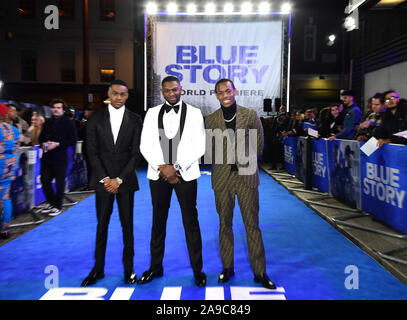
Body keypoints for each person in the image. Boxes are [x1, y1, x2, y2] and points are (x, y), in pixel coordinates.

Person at [205, 78, 276, 290]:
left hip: (246, 177)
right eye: (220, 92)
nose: (225, 95)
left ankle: (260, 272)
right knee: (224, 224)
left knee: (252, 225)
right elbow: (210, 150)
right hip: (221, 179)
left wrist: (244, 160)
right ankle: (227, 268)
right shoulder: (210, 120)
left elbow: (259, 144)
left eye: (228, 91)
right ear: (216, 95)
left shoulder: (250, 115)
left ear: (234, 91)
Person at [138, 75, 207, 287]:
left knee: (191, 222)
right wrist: (163, 168)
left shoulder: (195, 113)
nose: (172, 94)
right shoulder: (151, 113)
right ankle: (155, 267)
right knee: (158, 222)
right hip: (158, 175)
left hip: (184, 174)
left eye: (175, 90)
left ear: (181, 89)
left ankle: (198, 270)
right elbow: (145, 144)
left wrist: (176, 167)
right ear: (162, 92)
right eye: (167, 91)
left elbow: (200, 145)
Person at [81, 80, 142, 286]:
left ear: (127, 96)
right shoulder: (95, 118)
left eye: (123, 94)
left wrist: (119, 179)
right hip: (103, 182)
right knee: (102, 226)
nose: (118, 98)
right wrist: (106, 179)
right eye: (115, 93)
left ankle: (129, 269)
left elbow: (136, 153)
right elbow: (92, 151)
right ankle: (98, 269)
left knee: (128, 227)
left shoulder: (135, 119)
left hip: (125, 182)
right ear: (109, 93)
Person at [38, 98, 77, 216]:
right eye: (54, 107)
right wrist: (43, 143)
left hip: (60, 157)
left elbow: (73, 140)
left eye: (58, 108)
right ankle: (52, 202)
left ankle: (58, 205)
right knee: (44, 181)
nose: (56, 110)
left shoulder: (69, 122)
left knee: (60, 182)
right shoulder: (47, 122)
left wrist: (57, 144)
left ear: (63, 110)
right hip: (47, 157)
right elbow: (41, 137)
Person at [0, 103, 20, 239]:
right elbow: (16, 149)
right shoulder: (14, 130)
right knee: (5, 196)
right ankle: (5, 229)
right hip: (10, 165)